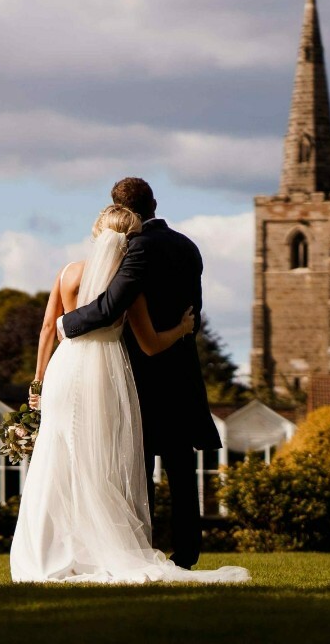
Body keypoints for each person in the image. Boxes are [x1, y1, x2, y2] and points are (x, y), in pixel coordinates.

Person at [10, 204, 249, 585]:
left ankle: (45, 550)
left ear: (96, 232)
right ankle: (98, 545)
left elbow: (45, 329)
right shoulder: (130, 289)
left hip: (63, 370)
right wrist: (183, 328)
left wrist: (37, 381)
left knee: (55, 457)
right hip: (102, 375)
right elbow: (152, 345)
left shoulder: (68, 273)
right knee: (100, 461)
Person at [59, 177, 220, 570]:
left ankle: (141, 547)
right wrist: (180, 333)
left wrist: (66, 325)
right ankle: (186, 552)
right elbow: (192, 313)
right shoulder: (186, 246)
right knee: (182, 467)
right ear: (155, 203)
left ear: (123, 211)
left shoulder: (136, 248)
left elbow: (112, 306)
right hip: (180, 367)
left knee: (138, 463)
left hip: (141, 372)